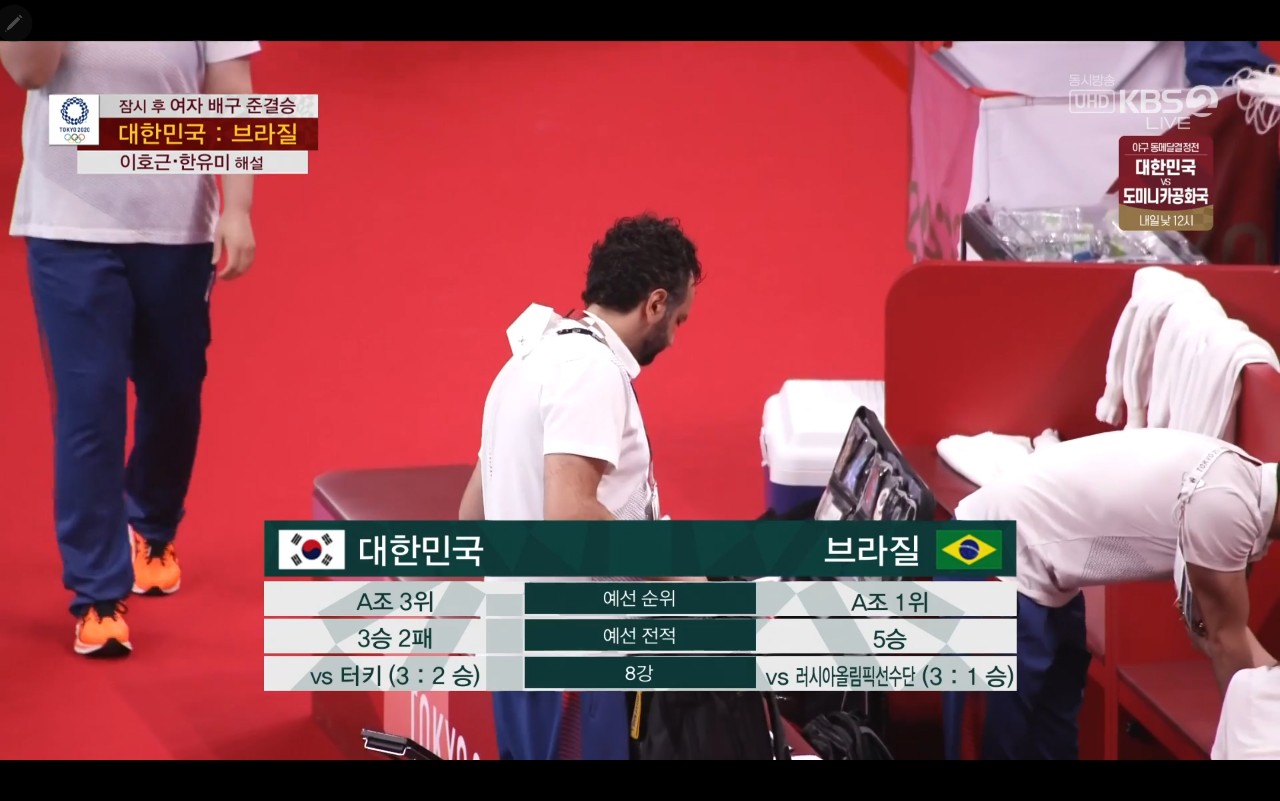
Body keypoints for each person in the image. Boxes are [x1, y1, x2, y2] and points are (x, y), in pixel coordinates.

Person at [3, 41, 261, 658]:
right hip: (67, 226)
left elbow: (232, 91)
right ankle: (98, 593)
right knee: (89, 409)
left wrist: (239, 207)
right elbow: (29, 72)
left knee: (175, 393)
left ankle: (152, 525)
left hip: (176, 225)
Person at [457, 213, 704, 759]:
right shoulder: (590, 371)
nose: (674, 336)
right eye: (679, 319)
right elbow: (570, 517)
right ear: (655, 304)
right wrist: (689, 582)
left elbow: (472, 517)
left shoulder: (525, 362)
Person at [952, 427, 1279, 760]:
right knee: (990, 741)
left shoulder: (1237, 483)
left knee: (1054, 739)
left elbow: (1213, 634)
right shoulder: (1225, 503)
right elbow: (1225, 643)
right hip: (979, 546)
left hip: (1042, 570)